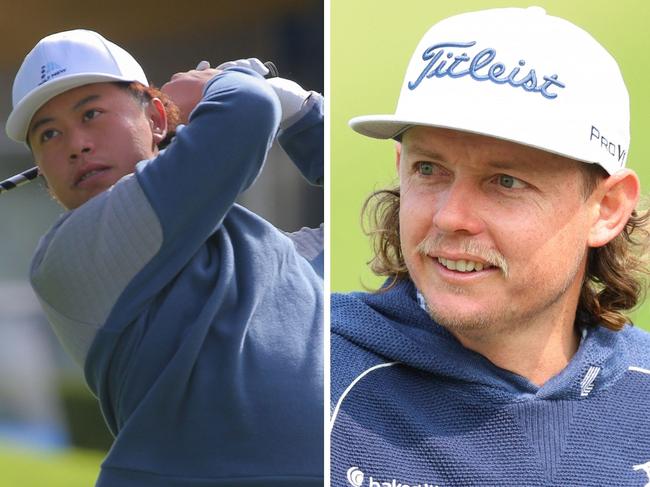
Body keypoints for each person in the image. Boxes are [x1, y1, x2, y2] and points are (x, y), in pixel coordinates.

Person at [330, 7, 650, 487]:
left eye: (505, 181)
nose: (449, 216)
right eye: (428, 169)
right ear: (399, 165)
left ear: (606, 208)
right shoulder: (317, 371)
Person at [6, 29, 323, 486]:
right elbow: (247, 111)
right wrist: (225, 80)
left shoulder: (269, 249)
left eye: (91, 114)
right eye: (49, 134)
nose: (75, 144)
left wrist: (301, 112)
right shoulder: (71, 255)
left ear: (157, 118)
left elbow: (383, 212)